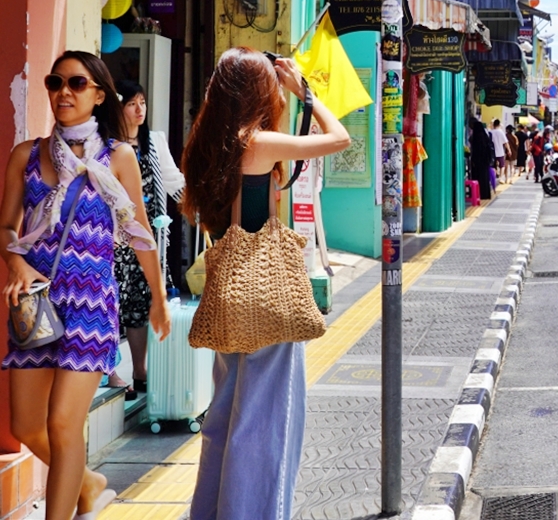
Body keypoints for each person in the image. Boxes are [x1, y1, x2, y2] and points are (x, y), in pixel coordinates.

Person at [181, 48, 349, 520]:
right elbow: (339, 139)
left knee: (224, 417)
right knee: (266, 422)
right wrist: (304, 92)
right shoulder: (257, 143)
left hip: (228, 294)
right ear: (260, 92)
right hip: (267, 295)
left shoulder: (204, 145)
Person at [2, 51, 169, 520]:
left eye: (76, 83)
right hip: (34, 305)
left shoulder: (117, 157)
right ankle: (90, 483)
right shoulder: (26, 155)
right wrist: (14, 263)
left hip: (90, 306)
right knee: (27, 426)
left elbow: (138, 232)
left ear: (98, 95)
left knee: (62, 424)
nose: (64, 93)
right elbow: (5, 230)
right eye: (56, 83)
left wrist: (157, 297)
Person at [106, 80, 185, 400]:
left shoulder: (154, 142)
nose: (139, 110)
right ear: (118, 108)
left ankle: (140, 371)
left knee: (140, 307)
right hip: (110, 239)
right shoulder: (106, 145)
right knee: (109, 305)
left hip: (144, 238)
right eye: (132, 104)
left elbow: (173, 181)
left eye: (143, 103)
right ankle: (110, 373)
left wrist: (199, 210)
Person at [470, 117, 494, 199]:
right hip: (485, 161)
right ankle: (485, 194)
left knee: (477, 178)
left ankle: (477, 194)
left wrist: (473, 160)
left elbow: (475, 151)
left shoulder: (476, 138)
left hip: (477, 162)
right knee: (484, 178)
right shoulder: (485, 137)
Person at [488, 120, 509, 185]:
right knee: (502, 166)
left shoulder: (490, 132)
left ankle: (493, 178)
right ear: (499, 124)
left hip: (492, 153)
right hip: (500, 152)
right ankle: (501, 178)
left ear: (493, 124)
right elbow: (505, 142)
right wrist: (509, 150)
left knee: (493, 166)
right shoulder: (501, 132)